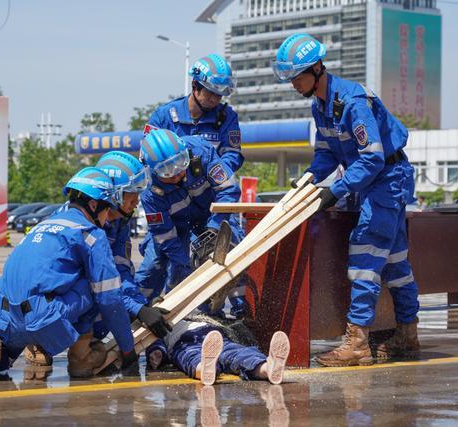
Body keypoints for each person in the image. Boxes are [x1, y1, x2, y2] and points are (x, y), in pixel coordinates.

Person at [273, 33, 420, 367]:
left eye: (297, 77)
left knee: (366, 258)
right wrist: (309, 181)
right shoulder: (321, 107)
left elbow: (371, 159)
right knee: (395, 263)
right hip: (373, 183)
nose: (293, 85)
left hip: (386, 181)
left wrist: (334, 191)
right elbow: (326, 154)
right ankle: (408, 336)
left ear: (316, 69)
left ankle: (357, 343)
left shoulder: (353, 102)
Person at [0, 167, 136, 380]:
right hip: (42, 317)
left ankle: (0, 356)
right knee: (99, 286)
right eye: (107, 210)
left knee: (16, 325)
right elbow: (110, 299)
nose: (108, 218)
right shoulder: (91, 234)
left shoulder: (42, 226)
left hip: (2, 315)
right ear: (94, 205)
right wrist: (127, 351)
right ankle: (81, 358)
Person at [134, 129, 248, 317]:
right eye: (168, 173)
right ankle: (145, 314)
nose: (177, 175)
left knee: (236, 253)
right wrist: (188, 263)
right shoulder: (149, 190)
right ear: (153, 170)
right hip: (176, 229)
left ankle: (243, 311)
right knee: (155, 266)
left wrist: (215, 227)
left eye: (180, 167)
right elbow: (164, 235)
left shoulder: (200, 151)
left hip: (214, 217)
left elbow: (228, 190)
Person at [146, 54, 244, 173]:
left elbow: (232, 154)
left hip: (211, 187)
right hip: (171, 186)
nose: (214, 99)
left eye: (219, 94)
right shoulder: (163, 116)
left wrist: (215, 174)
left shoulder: (228, 117)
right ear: (194, 85)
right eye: (210, 92)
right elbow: (148, 156)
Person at [146, 313, 290, 386]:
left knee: (237, 352)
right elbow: (153, 339)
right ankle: (205, 368)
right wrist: (157, 352)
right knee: (236, 354)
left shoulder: (196, 310)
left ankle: (268, 368)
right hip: (183, 341)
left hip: (214, 337)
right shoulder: (159, 321)